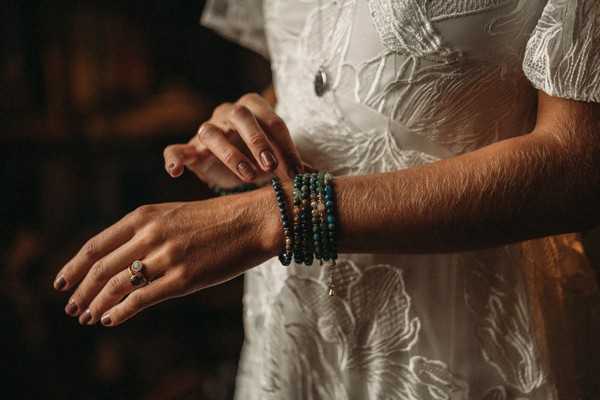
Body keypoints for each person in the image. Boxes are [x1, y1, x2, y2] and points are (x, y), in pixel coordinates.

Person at [54, 0, 600, 398]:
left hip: (461, 343)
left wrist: (273, 219)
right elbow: (315, 74)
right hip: (294, 337)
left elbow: (578, 165)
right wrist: (249, 136)